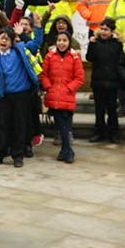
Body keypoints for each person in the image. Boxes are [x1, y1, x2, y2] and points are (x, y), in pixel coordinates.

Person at [0, 24, 44, 168]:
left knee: (19, 125)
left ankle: (18, 155)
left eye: (6, 39)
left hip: (22, 95)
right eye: (0, 39)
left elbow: (36, 42)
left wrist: (36, 27)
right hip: (4, 96)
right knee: (3, 125)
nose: (3, 41)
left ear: (12, 42)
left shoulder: (20, 51)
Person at [40, 31, 84, 163]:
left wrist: (69, 88)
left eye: (64, 40)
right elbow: (43, 74)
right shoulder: (50, 56)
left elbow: (79, 78)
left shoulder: (74, 57)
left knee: (65, 124)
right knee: (60, 124)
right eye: (59, 40)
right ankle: (66, 150)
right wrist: (48, 87)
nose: (61, 43)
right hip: (54, 96)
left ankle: (67, 150)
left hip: (67, 96)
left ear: (69, 42)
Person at [86, 17, 123, 144]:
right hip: (98, 81)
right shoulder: (96, 43)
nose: (103, 32)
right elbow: (89, 57)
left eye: (106, 29)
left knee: (112, 109)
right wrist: (91, 44)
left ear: (112, 31)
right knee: (99, 109)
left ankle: (114, 133)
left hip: (112, 82)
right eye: (102, 29)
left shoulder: (117, 44)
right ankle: (99, 132)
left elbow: (120, 62)